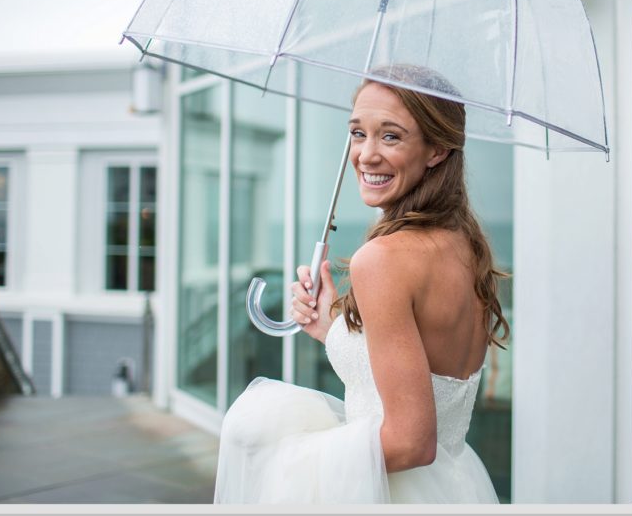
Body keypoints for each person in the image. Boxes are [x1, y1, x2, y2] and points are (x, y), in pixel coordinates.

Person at [213, 65, 507, 504]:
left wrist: (289, 467)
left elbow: (411, 443)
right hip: (454, 488)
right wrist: (333, 325)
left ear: (437, 149)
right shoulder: (465, 245)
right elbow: (421, 359)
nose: (366, 155)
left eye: (390, 136)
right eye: (357, 133)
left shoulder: (383, 259)